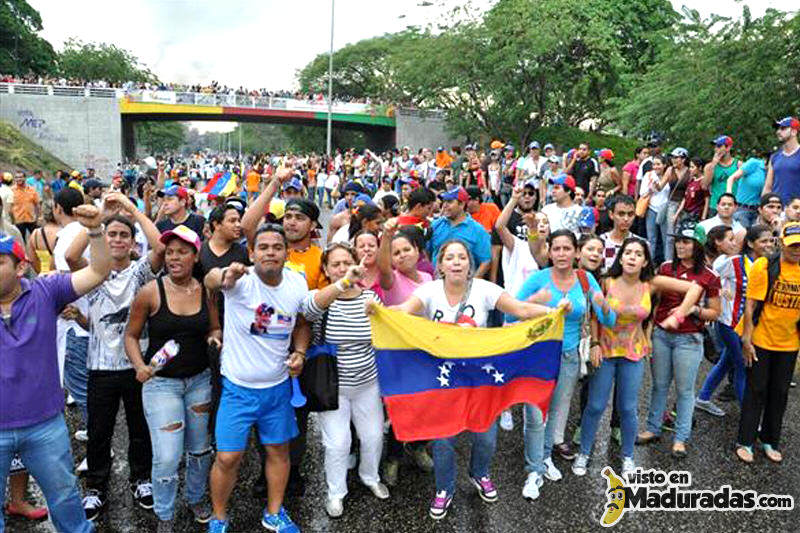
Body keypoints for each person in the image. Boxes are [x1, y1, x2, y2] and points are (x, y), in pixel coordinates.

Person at [388, 239, 554, 519]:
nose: (455, 262)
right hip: (443, 381)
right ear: (440, 265)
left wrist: (552, 312)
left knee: (486, 437)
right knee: (443, 439)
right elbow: (403, 311)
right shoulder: (428, 291)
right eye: (449, 257)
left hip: (480, 380)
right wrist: (378, 312)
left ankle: (480, 474)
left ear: (469, 264)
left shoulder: (485, 289)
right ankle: (444, 488)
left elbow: (521, 310)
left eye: (461, 257)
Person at [0, 202, 110, 533]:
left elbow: (98, 271)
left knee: (64, 499)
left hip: (44, 425)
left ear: (21, 268)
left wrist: (96, 231)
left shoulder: (46, 291)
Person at [64, 193, 164, 521]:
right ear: (104, 240)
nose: (118, 240)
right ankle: (96, 487)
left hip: (137, 365)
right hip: (100, 366)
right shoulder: (95, 272)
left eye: (124, 235)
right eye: (112, 235)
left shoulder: (140, 273)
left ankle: (141, 480)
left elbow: (160, 247)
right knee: (99, 429)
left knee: (140, 427)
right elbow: (69, 254)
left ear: (133, 242)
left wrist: (133, 211)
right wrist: (98, 219)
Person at [204, 224, 309, 533]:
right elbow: (211, 280)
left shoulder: (297, 284)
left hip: (277, 388)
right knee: (227, 456)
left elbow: (302, 324)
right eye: (263, 247)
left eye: (277, 247)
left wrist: (300, 353)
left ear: (286, 253)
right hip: (238, 389)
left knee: (279, 451)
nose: (270, 252)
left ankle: (274, 513)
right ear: (252, 253)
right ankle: (219, 517)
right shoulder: (239, 280)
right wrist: (224, 276)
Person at [575, 238, 702, 476]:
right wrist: (593, 343)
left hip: (633, 353)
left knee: (628, 408)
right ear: (620, 257)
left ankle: (628, 457)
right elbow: (594, 316)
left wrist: (680, 314)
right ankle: (583, 453)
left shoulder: (651, 283)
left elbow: (695, 288)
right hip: (605, 351)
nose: (632, 257)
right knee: (595, 406)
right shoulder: (605, 281)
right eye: (628, 252)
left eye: (638, 254)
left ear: (645, 261)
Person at [125, 226, 218, 531]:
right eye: (169, 252)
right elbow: (131, 335)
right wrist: (139, 365)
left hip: (199, 381)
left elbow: (214, 327)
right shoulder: (151, 291)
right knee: (166, 456)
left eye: (182, 251)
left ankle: (195, 499)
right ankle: (164, 513)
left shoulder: (205, 290)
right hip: (161, 383)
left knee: (200, 448)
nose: (174, 257)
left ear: (195, 256)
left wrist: (215, 338)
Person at [511, 230, 616, 491]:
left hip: (568, 356)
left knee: (557, 412)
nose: (561, 254)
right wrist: (538, 302)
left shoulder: (585, 279)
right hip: (537, 356)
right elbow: (511, 316)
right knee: (535, 416)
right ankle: (533, 470)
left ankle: (545, 456)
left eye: (566, 248)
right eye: (555, 249)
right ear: (549, 252)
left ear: (576, 252)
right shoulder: (538, 280)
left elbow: (609, 320)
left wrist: (603, 304)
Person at [303, 243, 390, 518]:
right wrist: (343, 283)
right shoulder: (321, 299)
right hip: (332, 388)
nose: (342, 268)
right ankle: (335, 492)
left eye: (346, 262)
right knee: (337, 443)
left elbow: (387, 336)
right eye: (335, 265)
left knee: (373, 437)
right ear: (327, 271)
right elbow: (307, 311)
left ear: (356, 263)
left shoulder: (372, 299)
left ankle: (370, 476)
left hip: (368, 383)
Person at [637, 220, 721, 458]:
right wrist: (649, 333)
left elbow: (715, 312)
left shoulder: (709, 276)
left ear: (698, 244)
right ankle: (653, 428)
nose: (680, 246)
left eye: (686, 241)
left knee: (685, 390)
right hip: (662, 335)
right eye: (677, 241)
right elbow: (654, 303)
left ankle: (680, 438)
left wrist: (694, 311)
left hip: (689, 338)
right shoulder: (665, 267)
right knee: (659, 385)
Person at [736, 222, 800, 464]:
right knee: (756, 390)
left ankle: (770, 440)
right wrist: (746, 340)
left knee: (780, 393)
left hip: (789, 343)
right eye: (793, 245)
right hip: (761, 340)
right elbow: (751, 305)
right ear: (781, 243)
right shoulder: (765, 266)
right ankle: (745, 441)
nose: (797, 250)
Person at [696, 225, 774, 416]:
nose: (768, 244)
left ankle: (703, 398)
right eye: (763, 241)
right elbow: (708, 279)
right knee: (742, 366)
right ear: (750, 243)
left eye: (771, 240)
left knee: (726, 362)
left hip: (750, 325)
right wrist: (720, 291)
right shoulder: (734, 262)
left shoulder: (769, 264)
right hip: (729, 324)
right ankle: (750, 416)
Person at [427, 187, 492, 278]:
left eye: (449, 202)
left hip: (463, 285)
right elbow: (426, 253)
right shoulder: (435, 225)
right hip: (437, 285)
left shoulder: (477, 230)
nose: (444, 205)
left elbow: (486, 261)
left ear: (461, 204)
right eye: (444, 202)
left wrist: (472, 283)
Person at [639, 154, 671, 263]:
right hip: (652, 208)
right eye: (654, 164)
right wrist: (651, 189)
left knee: (666, 238)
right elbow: (642, 193)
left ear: (665, 165)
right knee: (651, 238)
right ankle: (650, 262)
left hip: (665, 209)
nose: (656, 167)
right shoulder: (648, 176)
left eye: (658, 164)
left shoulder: (670, 176)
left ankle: (666, 262)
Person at [763, 116, 800, 206]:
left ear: (794, 132)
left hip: (797, 211)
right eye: (778, 129)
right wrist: (763, 207)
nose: (778, 132)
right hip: (777, 211)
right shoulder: (774, 157)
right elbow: (768, 187)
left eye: (783, 128)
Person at [727, 151, 768, 227]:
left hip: (759, 212)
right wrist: (729, 196)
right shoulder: (754, 163)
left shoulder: (772, 172)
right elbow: (731, 178)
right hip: (742, 208)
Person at [703, 135, 741, 215]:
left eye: (719, 146)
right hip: (715, 207)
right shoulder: (709, 166)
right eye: (715, 146)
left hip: (733, 207)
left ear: (728, 148)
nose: (716, 149)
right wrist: (713, 165)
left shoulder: (738, 165)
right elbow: (704, 186)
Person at [672, 157, 709, 224]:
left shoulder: (703, 182)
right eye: (690, 167)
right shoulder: (691, 180)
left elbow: (707, 200)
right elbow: (685, 198)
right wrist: (677, 214)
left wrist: (703, 218)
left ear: (700, 168)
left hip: (696, 215)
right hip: (686, 213)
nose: (690, 169)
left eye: (692, 167)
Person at [26, 201, 59, 273]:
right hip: (59, 276)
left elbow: (31, 259)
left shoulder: (36, 234)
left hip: (43, 276)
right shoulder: (62, 232)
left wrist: (40, 272)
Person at [11, 171, 40, 241]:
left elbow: (37, 205)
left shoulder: (32, 190)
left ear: (25, 178)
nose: (18, 179)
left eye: (20, 177)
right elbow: (10, 206)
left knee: (36, 239)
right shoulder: (12, 190)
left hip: (31, 219)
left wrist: (38, 217)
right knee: (21, 241)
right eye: (17, 177)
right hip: (18, 220)